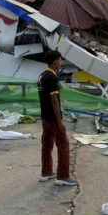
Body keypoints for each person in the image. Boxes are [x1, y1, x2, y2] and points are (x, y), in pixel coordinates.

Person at [37, 50, 77, 186]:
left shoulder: (42, 75)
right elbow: (54, 99)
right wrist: (59, 121)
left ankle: (46, 171)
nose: (61, 63)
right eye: (60, 60)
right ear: (55, 62)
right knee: (63, 145)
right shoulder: (52, 77)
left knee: (47, 144)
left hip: (45, 117)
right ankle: (63, 176)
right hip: (53, 118)